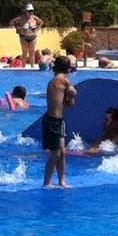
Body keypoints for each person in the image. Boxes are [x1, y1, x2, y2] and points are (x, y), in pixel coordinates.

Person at [42, 55, 77, 188]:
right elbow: (71, 103)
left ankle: (62, 180)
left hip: (54, 120)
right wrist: (73, 95)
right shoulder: (65, 81)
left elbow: (61, 101)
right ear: (68, 68)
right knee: (55, 153)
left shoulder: (52, 81)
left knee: (62, 152)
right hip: (54, 121)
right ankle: (47, 182)